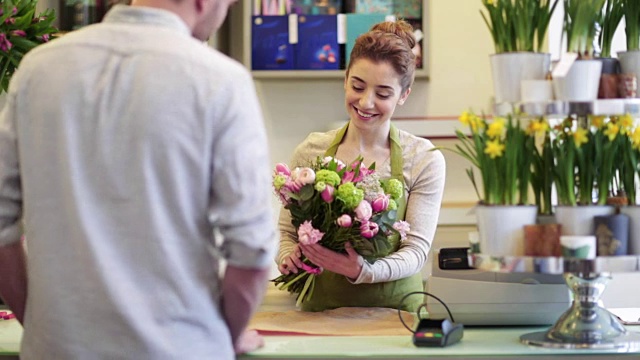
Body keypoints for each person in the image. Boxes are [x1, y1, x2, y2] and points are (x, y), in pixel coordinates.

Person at [0, 0, 276, 358]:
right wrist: (222, 337)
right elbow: (251, 252)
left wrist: (41, 327)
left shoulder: (37, 69)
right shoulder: (221, 82)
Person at [276, 19, 446, 312]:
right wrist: (289, 254)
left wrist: (361, 270)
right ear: (345, 80)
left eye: (382, 94)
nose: (366, 103)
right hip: (320, 313)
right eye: (357, 86)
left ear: (403, 95)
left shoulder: (424, 159)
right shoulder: (311, 151)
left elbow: (416, 251)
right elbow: (288, 231)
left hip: (396, 315)